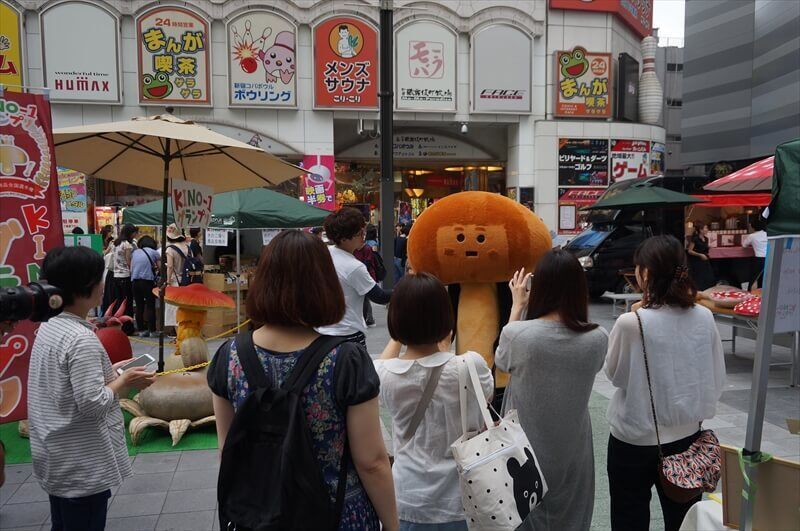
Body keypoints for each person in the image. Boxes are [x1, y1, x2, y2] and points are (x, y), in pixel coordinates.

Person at [208, 230, 398, 531]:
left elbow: (227, 449)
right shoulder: (346, 359)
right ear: (324, 285)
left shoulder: (228, 356)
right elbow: (371, 461)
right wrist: (392, 524)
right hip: (337, 513)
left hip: (259, 515)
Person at [28, 246, 155, 531]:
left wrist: (113, 370)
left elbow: (65, 383)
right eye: (101, 278)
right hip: (80, 463)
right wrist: (124, 381)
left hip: (56, 455)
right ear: (85, 287)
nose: (104, 285)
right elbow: (92, 404)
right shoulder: (80, 339)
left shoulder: (50, 326)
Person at [605, 235, 725, 531]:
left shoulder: (632, 322)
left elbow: (615, 375)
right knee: (684, 520)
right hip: (687, 438)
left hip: (633, 438)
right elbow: (715, 374)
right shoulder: (704, 317)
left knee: (629, 517)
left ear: (645, 272)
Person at [495, 250, 608, 530]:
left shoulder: (519, 335)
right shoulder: (597, 338)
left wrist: (516, 307)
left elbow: (502, 360)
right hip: (574, 451)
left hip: (523, 451)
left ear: (539, 287)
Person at [376, 273, 493, 531]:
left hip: (408, 501)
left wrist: (402, 330)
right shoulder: (469, 365)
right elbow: (486, 396)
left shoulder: (385, 375)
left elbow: (380, 366)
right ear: (446, 318)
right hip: (464, 501)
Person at [318, 208, 392, 349]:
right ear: (344, 238)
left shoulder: (324, 254)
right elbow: (380, 297)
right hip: (348, 333)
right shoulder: (353, 267)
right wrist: (408, 288)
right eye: (360, 233)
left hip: (322, 332)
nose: (363, 236)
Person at [111, 224, 138, 334]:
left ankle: (119, 327)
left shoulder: (116, 243)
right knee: (127, 303)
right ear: (130, 233)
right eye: (134, 232)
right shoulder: (127, 245)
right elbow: (128, 262)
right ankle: (128, 328)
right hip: (126, 276)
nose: (136, 234)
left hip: (116, 276)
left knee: (119, 303)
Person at [131, 235, 159, 337]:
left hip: (135, 282)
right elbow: (160, 267)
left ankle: (141, 330)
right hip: (147, 282)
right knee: (150, 306)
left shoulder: (135, 252)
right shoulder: (154, 252)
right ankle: (152, 331)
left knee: (139, 306)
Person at [164, 224, 190, 333]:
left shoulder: (170, 249)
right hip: (187, 282)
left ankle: (179, 336)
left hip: (175, 282)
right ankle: (187, 333)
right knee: (185, 310)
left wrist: (168, 281)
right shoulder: (187, 247)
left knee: (174, 312)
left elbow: (170, 266)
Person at [354, 237, 379, 327]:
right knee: (364, 298)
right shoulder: (354, 249)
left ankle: (367, 319)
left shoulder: (367, 248)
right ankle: (369, 319)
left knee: (364, 298)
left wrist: (356, 269)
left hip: (367, 275)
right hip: (358, 275)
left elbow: (367, 263)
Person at [686, 221, 715, 290]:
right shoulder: (695, 239)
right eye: (706, 228)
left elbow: (704, 249)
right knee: (699, 279)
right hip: (696, 262)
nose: (707, 229)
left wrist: (708, 248)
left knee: (708, 277)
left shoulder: (706, 239)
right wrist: (700, 255)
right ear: (701, 230)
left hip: (704, 261)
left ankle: (706, 291)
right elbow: (689, 251)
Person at [742, 217, 768, 289]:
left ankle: (750, 292)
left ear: (753, 227)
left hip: (759, 259)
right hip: (769, 258)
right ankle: (762, 291)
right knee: (765, 277)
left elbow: (744, 245)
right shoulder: (768, 234)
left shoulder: (752, 236)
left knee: (754, 277)